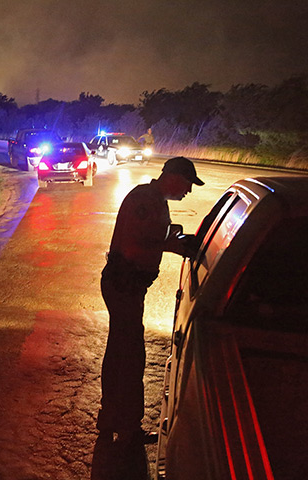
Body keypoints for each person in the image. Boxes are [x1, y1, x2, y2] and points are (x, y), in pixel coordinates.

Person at [97, 156, 203, 445]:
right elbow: (135, 242)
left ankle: (109, 420)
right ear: (173, 177)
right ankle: (128, 428)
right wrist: (169, 244)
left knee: (120, 352)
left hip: (126, 284)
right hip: (125, 284)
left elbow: (148, 233)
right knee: (130, 357)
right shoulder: (146, 198)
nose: (188, 191)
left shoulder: (154, 199)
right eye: (187, 184)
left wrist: (171, 235)